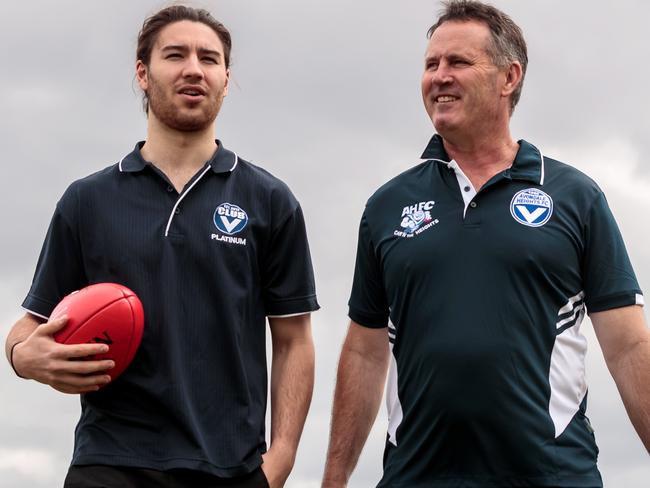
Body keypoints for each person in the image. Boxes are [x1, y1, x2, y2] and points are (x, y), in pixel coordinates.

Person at [322, 1, 648, 487]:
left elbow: (627, 346)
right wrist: (333, 478)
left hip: (551, 476)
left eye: (458, 63)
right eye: (431, 65)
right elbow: (365, 352)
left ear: (509, 77)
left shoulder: (574, 197)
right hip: (419, 477)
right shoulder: (387, 206)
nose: (439, 76)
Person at [5, 6, 318, 488]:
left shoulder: (269, 200)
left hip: (229, 467)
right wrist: (22, 358)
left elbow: (294, 340)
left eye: (209, 59)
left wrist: (280, 461)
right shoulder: (87, 200)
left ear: (226, 79)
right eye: (175, 55)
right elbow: (31, 324)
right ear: (143, 74)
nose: (194, 68)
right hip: (110, 461)